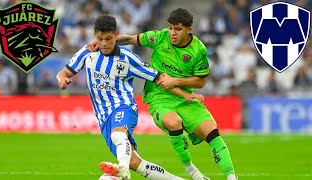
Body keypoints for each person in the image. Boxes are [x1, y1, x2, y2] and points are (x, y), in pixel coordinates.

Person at [87, 8, 237, 180]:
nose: (172, 33)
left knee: (212, 133)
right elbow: (130, 39)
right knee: (173, 122)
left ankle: (232, 177)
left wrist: (176, 81)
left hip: (185, 96)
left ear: (189, 30)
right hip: (159, 97)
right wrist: (103, 41)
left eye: (178, 29)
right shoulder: (159, 37)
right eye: (170, 28)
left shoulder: (199, 50)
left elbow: (200, 81)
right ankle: (192, 171)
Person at [57, 15, 189, 180]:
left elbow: (159, 77)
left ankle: (122, 170)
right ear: (95, 36)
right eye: (100, 38)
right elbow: (64, 72)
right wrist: (62, 79)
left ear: (117, 35)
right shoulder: (87, 53)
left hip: (124, 107)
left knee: (118, 136)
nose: (104, 43)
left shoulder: (128, 58)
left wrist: (186, 95)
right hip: (104, 118)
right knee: (136, 163)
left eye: (109, 39)